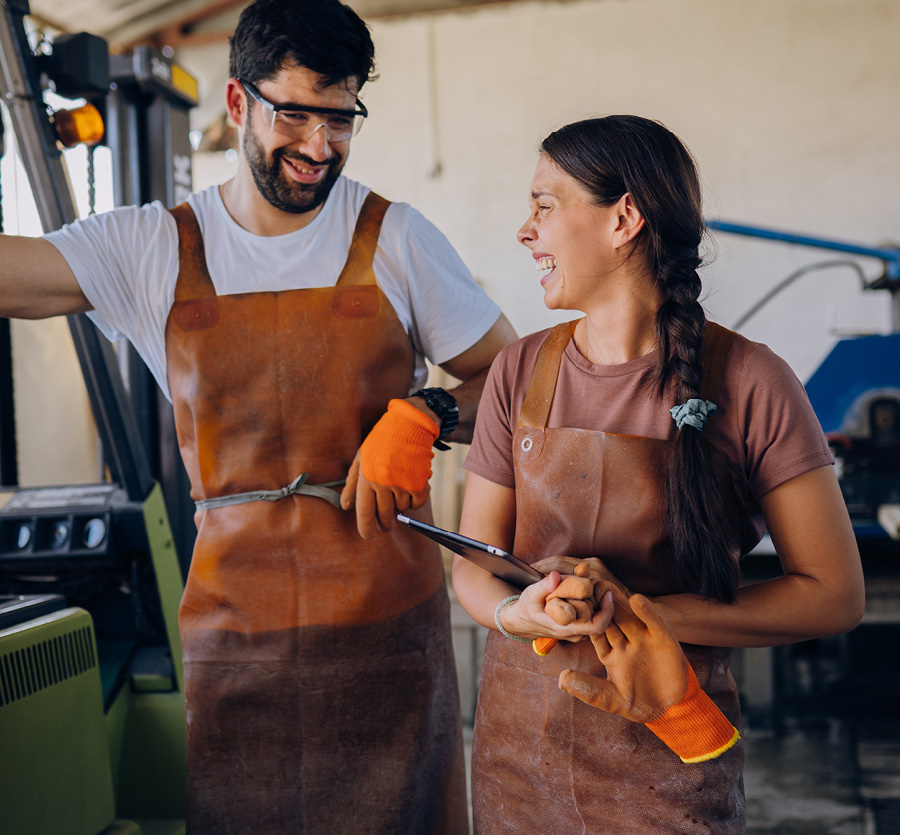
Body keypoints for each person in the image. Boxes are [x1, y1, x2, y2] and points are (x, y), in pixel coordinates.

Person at [1, 0, 516, 831]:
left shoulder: (395, 237)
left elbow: (514, 378)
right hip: (237, 642)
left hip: (387, 636)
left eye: (341, 119)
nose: (320, 147)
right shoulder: (150, 248)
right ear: (238, 103)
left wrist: (428, 409)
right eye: (296, 115)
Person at [453, 115, 864, 834]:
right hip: (518, 766)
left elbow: (834, 595)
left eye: (544, 205)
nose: (525, 229)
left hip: (666, 767)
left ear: (625, 218)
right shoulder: (519, 371)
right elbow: (472, 566)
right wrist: (517, 613)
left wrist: (650, 614)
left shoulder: (752, 379)